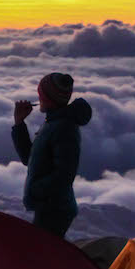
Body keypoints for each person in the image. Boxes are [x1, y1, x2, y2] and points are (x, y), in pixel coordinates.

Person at [12, 73, 92, 238]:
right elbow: (30, 158)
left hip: (55, 209)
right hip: (49, 205)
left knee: (42, 256)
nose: (38, 97)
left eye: (41, 94)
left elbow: (65, 174)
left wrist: (36, 190)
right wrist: (19, 124)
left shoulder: (64, 128)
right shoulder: (53, 123)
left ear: (48, 98)